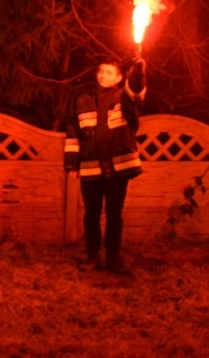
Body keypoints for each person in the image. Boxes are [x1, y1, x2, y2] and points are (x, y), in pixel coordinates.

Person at [64, 58, 146, 275]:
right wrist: (72, 164)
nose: (103, 75)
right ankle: (92, 256)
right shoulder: (82, 99)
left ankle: (113, 257)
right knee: (91, 215)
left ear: (120, 78)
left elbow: (137, 90)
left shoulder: (126, 98)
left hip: (118, 168)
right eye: (100, 71)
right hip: (90, 167)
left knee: (114, 215)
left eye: (109, 72)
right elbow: (73, 133)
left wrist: (137, 72)